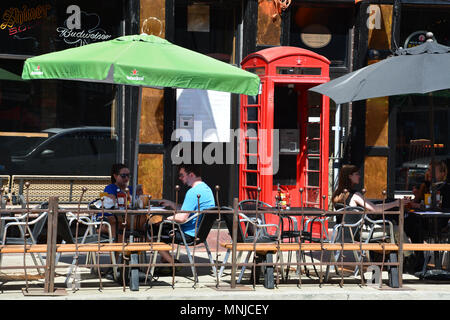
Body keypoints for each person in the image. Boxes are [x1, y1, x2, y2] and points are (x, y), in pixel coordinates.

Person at [154, 164, 215, 273]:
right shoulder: (207, 190)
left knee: (152, 231)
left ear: (191, 175)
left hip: (187, 235)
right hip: (200, 234)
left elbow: (182, 217)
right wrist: (171, 203)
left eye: (182, 175)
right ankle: (167, 263)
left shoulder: (192, 192)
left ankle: (173, 264)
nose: (180, 178)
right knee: (162, 229)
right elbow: (187, 210)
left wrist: (166, 219)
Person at [100, 163, 144, 241]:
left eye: (128, 175)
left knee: (143, 223)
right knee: (117, 224)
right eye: (123, 176)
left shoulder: (131, 189)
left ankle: (150, 247)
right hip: (110, 219)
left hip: (127, 219)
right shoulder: (110, 188)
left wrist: (140, 195)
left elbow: (137, 203)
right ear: (115, 176)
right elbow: (111, 201)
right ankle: (118, 250)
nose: (126, 178)